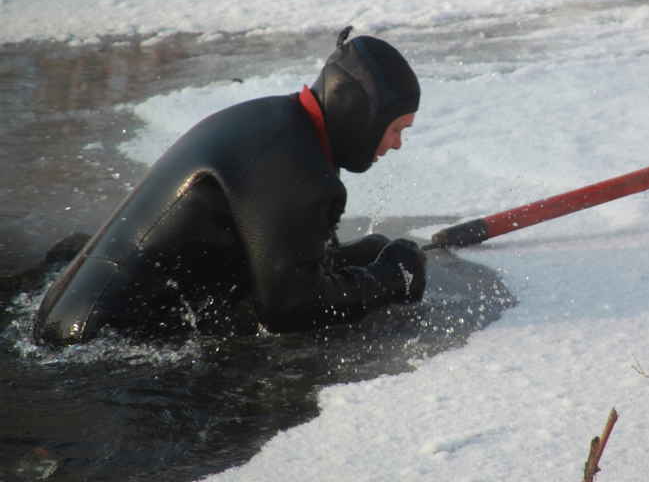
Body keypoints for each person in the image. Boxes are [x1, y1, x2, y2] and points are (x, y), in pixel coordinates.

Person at [33, 27, 427, 345]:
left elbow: (292, 264)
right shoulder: (296, 169)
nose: (396, 145)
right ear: (361, 115)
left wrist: (368, 259)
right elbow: (291, 311)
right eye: (394, 129)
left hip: (70, 317)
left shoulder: (279, 124)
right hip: (95, 351)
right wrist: (391, 279)